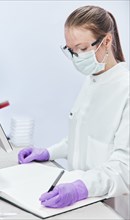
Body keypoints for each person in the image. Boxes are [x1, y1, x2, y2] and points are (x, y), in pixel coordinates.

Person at [18, 5, 129, 208]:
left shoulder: (126, 89)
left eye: (83, 48)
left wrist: (81, 188)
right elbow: (83, 139)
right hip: (83, 200)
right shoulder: (93, 79)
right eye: (71, 50)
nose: (77, 57)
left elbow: (124, 167)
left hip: (111, 205)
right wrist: (48, 152)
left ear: (107, 41)